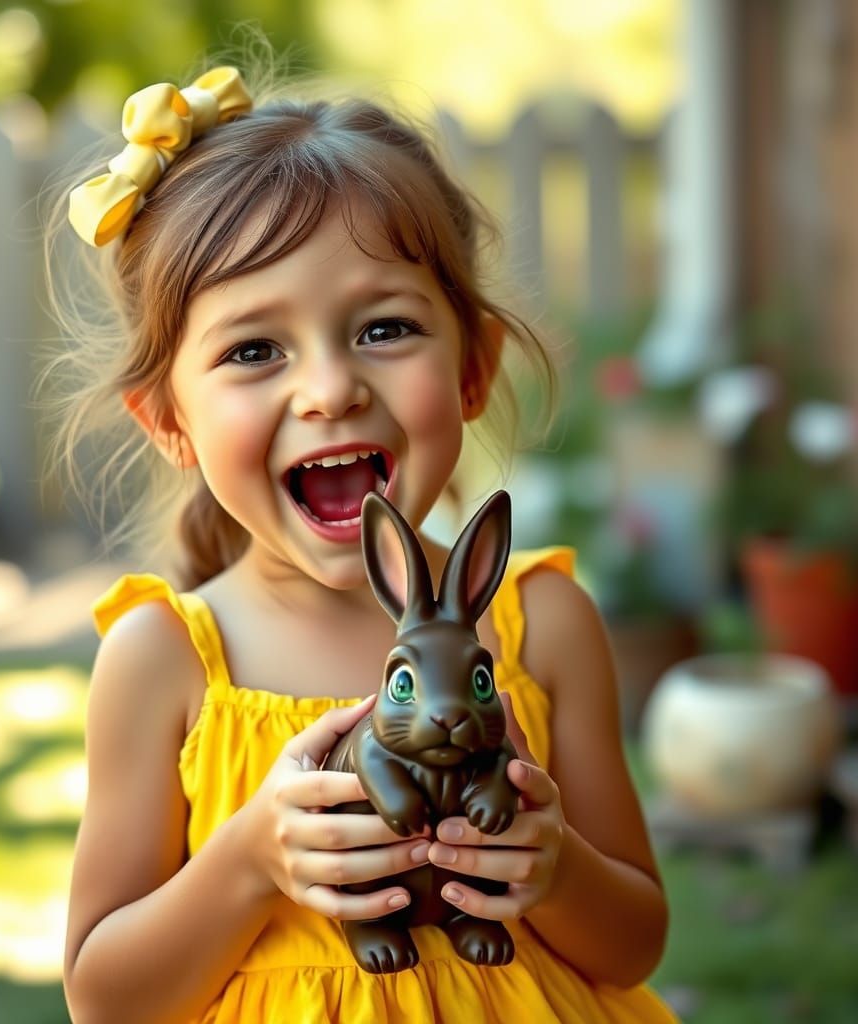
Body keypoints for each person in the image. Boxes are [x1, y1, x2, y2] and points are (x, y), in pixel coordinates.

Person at [49, 60, 678, 1024]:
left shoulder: (541, 625)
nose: (331, 389)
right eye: (255, 350)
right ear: (167, 420)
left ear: (473, 371)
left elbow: (635, 942)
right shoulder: (161, 662)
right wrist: (250, 860)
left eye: (384, 327)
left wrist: (556, 869)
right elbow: (105, 998)